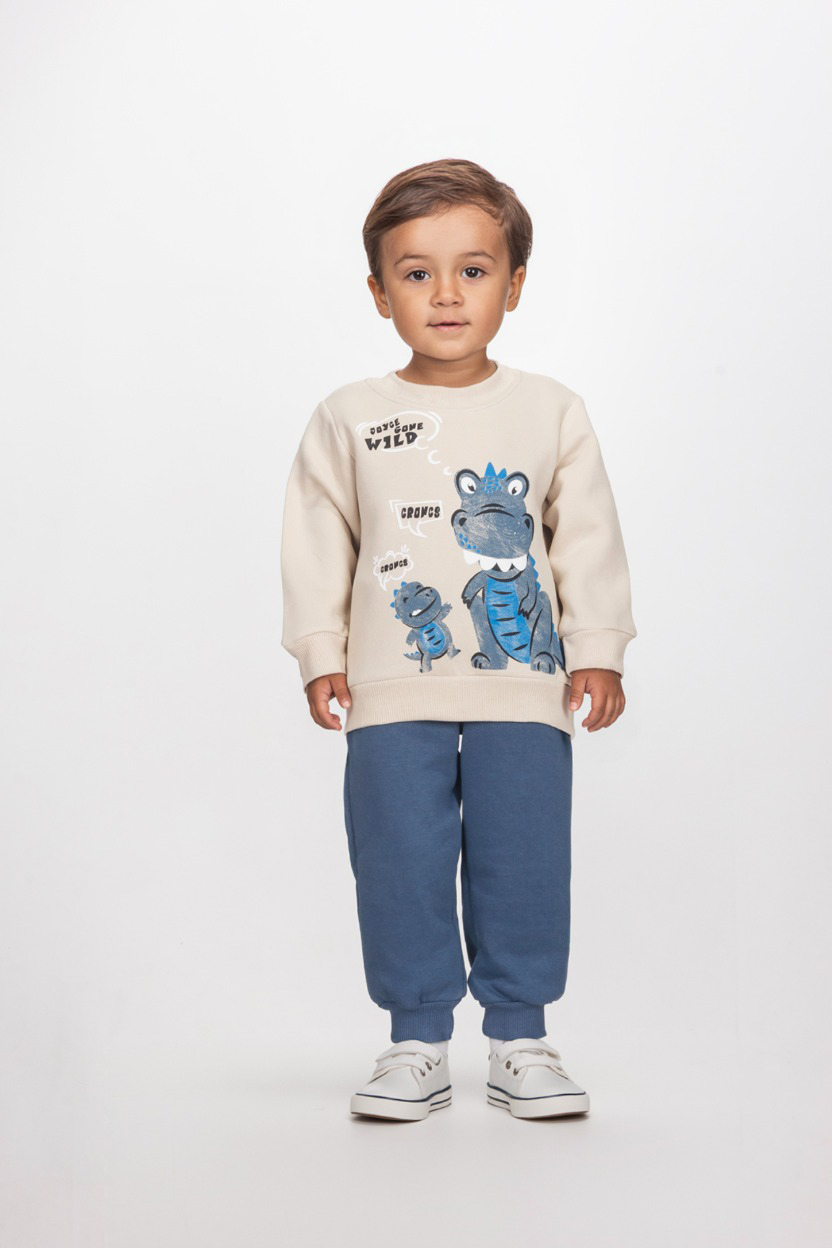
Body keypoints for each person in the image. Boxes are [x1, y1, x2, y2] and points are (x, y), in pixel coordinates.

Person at [280, 158, 637, 1121]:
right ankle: (416, 1043)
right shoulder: (348, 417)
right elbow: (317, 541)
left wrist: (598, 646)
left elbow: (587, 534)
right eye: (417, 272)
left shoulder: (551, 410)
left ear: (514, 285)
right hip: (389, 690)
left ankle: (522, 1038)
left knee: (526, 860)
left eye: (473, 270)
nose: (446, 294)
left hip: (525, 689)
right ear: (378, 292)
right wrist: (320, 652)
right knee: (398, 860)